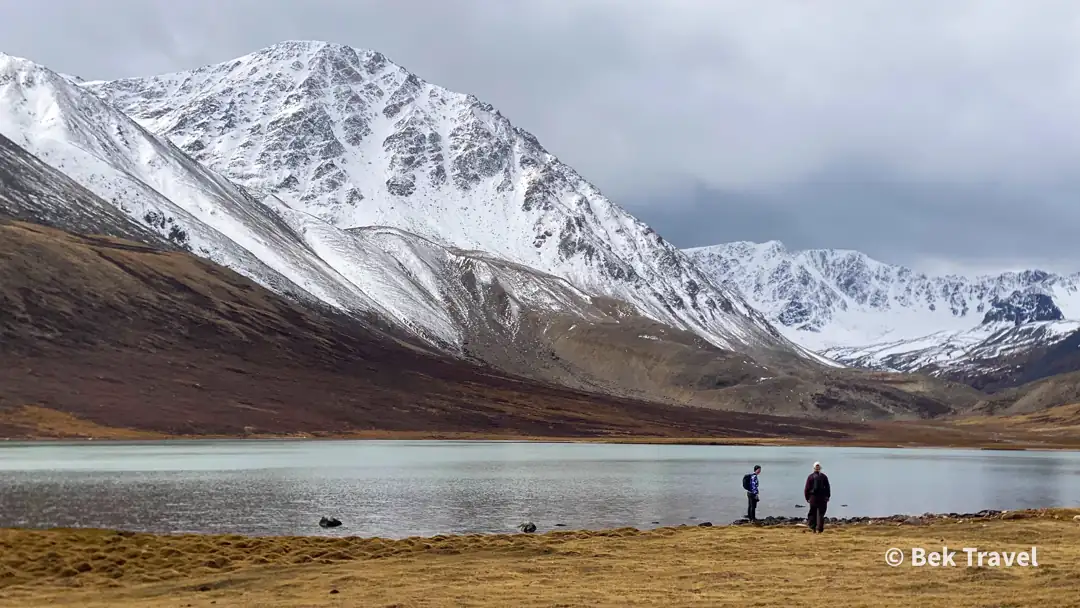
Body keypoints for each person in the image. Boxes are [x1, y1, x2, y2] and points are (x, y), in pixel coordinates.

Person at [804, 461, 831, 533]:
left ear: (813, 468)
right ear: (820, 468)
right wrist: (827, 496)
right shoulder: (824, 477)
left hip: (813, 498)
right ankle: (820, 529)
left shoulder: (810, 477)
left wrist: (807, 498)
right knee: (821, 514)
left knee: (813, 512)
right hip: (822, 498)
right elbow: (827, 488)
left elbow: (807, 488)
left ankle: (813, 528)